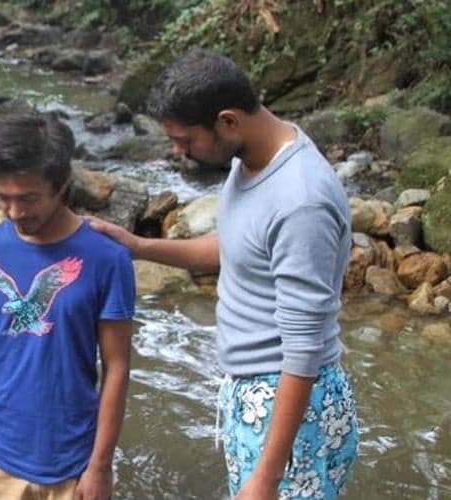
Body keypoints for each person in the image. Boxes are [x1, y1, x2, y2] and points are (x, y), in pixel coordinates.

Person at [89, 48, 359, 499]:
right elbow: (237, 247)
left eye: (185, 139)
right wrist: (140, 247)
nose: (178, 151)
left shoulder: (300, 202)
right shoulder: (252, 159)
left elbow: (303, 349)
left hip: (290, 404)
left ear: (228, 121)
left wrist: (266, 478)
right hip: (258, 392)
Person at [0, 111, 136, 500]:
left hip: (74, 462)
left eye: (29, 199)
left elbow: (117, 366)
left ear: (62, 183)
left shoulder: (107, 259)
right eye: (3, 198)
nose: (15, 213)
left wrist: (99, 466)